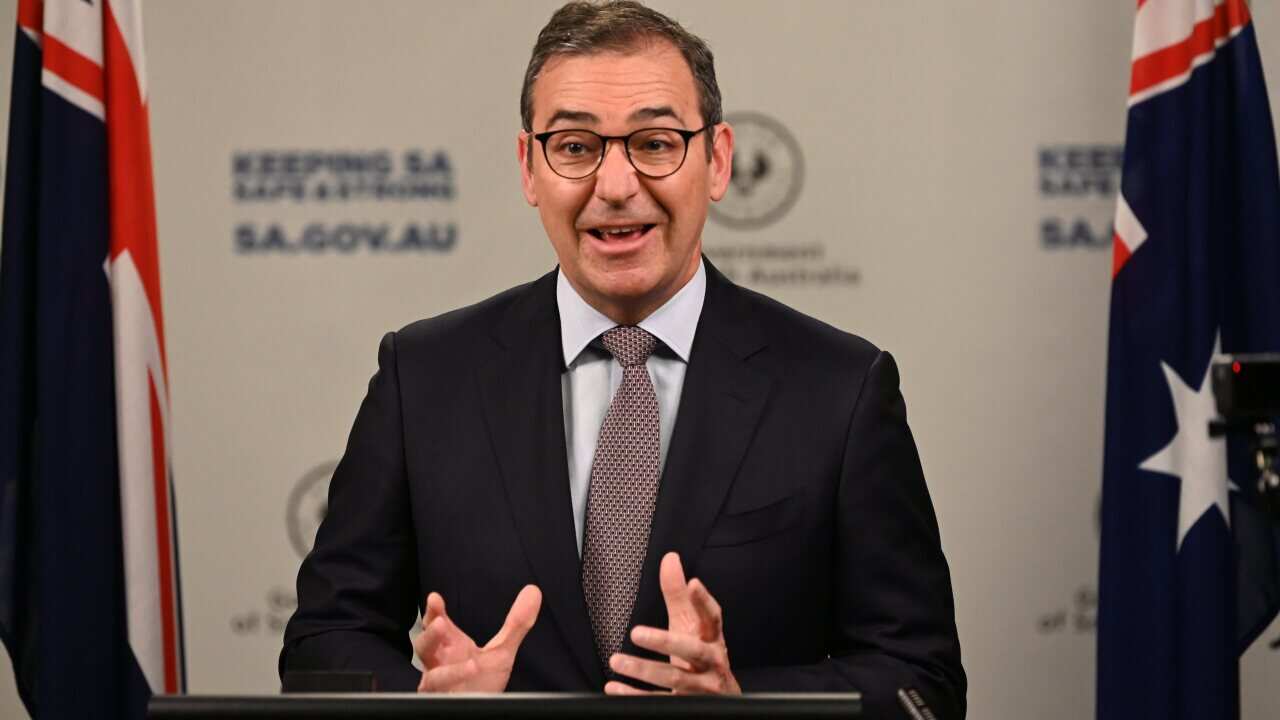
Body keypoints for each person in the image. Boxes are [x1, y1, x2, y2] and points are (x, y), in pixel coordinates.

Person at [281, 2, 966, 716]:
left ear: (718, 160)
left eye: (655, 143)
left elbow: (922, 682)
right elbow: (324, 640)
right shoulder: (423, 378)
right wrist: (424, 703)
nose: (614, 186)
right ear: (529, 168)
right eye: (576, 147)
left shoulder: (840, 391)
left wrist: (744, 702)